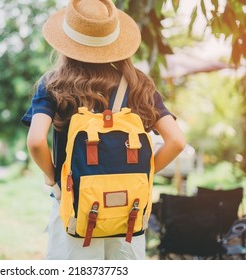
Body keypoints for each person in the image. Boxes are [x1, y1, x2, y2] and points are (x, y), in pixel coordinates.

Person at [21, 0, 186, 260]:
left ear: (66, 42)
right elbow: (176, 141)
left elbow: (35, 141)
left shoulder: (54, 84)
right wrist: (141, 175)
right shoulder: (139, 84)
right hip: (129, 212)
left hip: (75, 209)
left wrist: (54, 180)